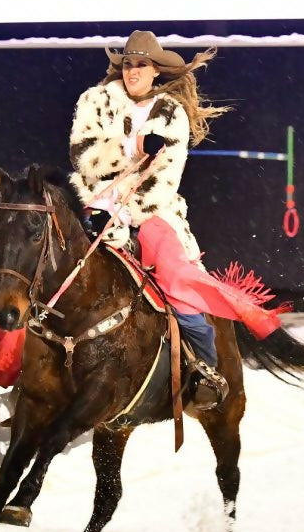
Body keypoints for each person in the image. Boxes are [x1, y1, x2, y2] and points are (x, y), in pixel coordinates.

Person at [68, 30, 286, 409]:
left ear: (155, 71)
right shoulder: (93, 100)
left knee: (175, 277)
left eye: (140, 65)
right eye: (128, 64)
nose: (132, 71)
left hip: (150, 211)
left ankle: (204, 368)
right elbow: (84, 154)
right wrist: (132, 148)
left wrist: (123, 214)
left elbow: (163, 178)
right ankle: (27, 377)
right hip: (93, 201)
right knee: (46, 265)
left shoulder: (170, 113)